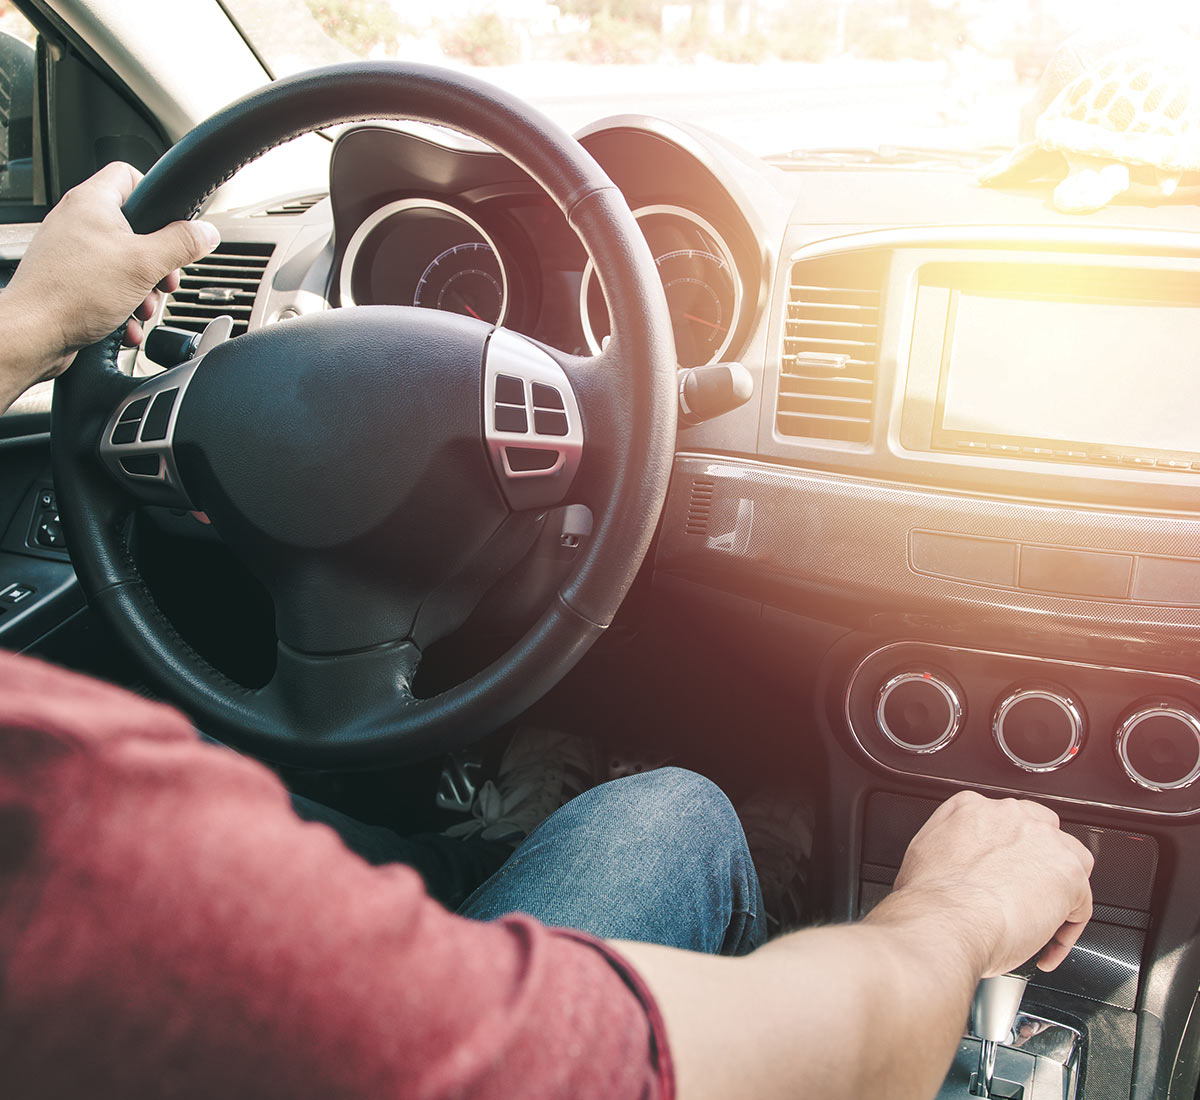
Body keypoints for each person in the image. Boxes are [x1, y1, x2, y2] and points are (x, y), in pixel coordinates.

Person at [0, 163, 1094, 1100]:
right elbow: (682, 1053)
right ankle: (731, 873)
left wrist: (33, 324)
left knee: (450, 838)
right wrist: (954, 911)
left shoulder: (68, 799)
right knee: (674, 811)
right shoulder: (83, 823)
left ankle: (505, 832)